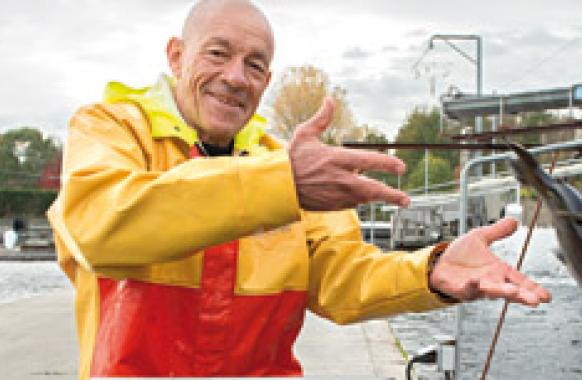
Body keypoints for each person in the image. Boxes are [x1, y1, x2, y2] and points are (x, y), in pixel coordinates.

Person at [47, 0, 551, 378]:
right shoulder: (110, 129)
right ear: (176, 56)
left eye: (255, 64)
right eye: (217, 53)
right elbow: (102, 228)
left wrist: (430, 271)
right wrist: (279, 183)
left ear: (267, 80)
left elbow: (341, 279)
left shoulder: (284, 168)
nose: (234, 77)